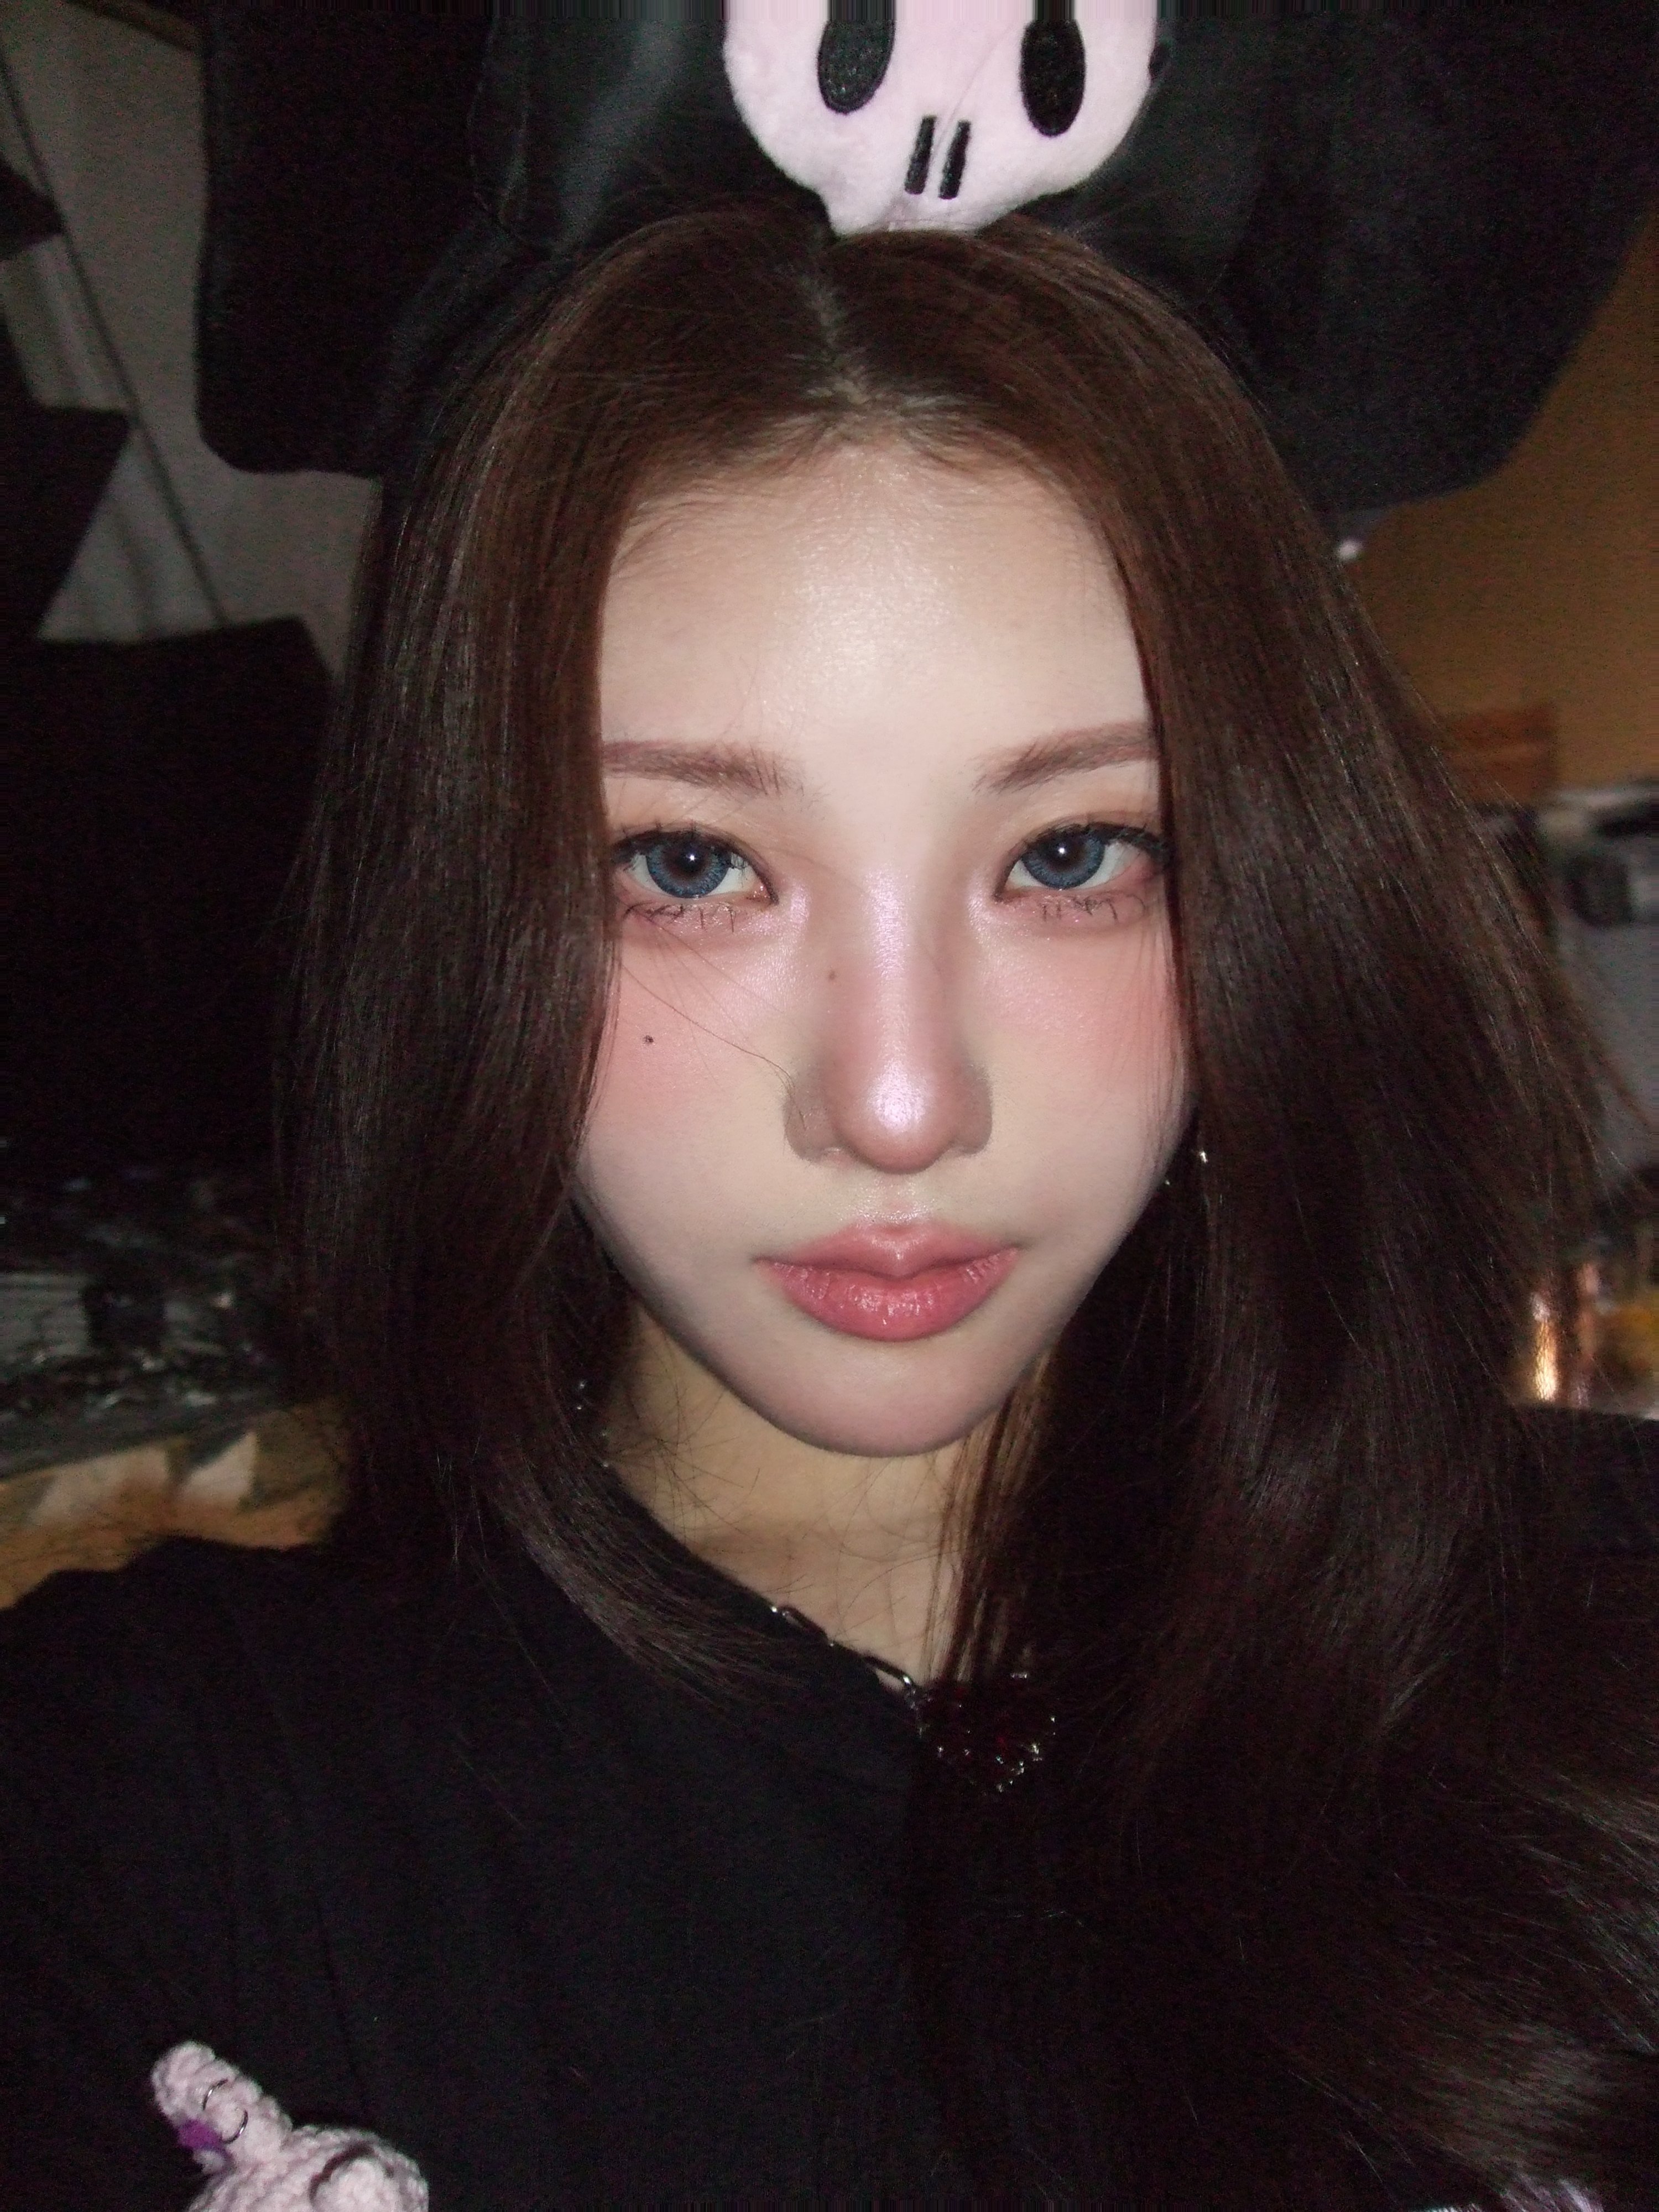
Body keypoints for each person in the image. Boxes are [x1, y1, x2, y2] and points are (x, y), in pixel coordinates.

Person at [2, 206, 1656, 2211]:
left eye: (1073, 854)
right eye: (690, 865)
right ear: (467, 912)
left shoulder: (1605, 1619)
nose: (899, 1103)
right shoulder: (145, 1813)